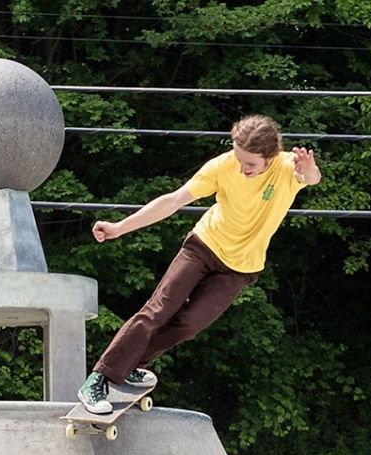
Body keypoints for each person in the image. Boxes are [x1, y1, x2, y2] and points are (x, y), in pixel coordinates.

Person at [77, 114, 321, 414]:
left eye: (251, 165)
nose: (242, 169)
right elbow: (173, 201)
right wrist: (119, 228)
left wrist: (310, 171)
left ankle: (130, 365)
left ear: (270, 157)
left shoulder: (286, 167)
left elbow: (309, 179)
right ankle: (99, 377)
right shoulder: (223, 166)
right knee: (158, 309)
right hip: (203, 246)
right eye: (239, 159)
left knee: (189, 325)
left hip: (240, 268)